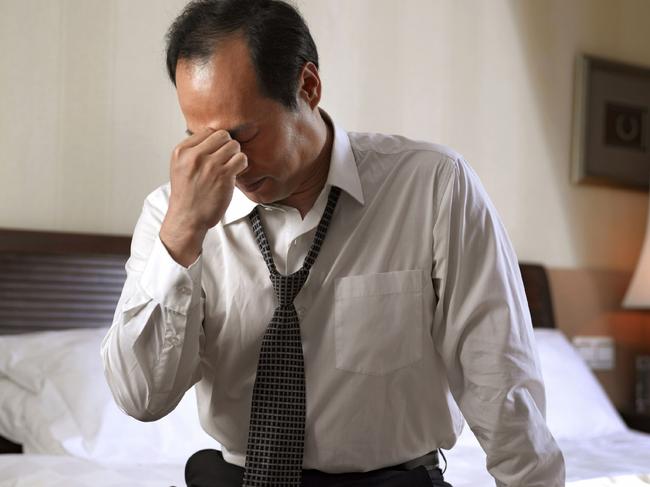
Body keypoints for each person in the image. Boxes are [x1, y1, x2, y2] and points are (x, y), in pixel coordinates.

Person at [100, 0, 565, 486]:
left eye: (242, 134)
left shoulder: (433, 188)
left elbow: (500, 380)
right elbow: (141, 398)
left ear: (308, 87)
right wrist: (181, 237)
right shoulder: (168, 215)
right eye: (201, 139)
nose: (227, 163)